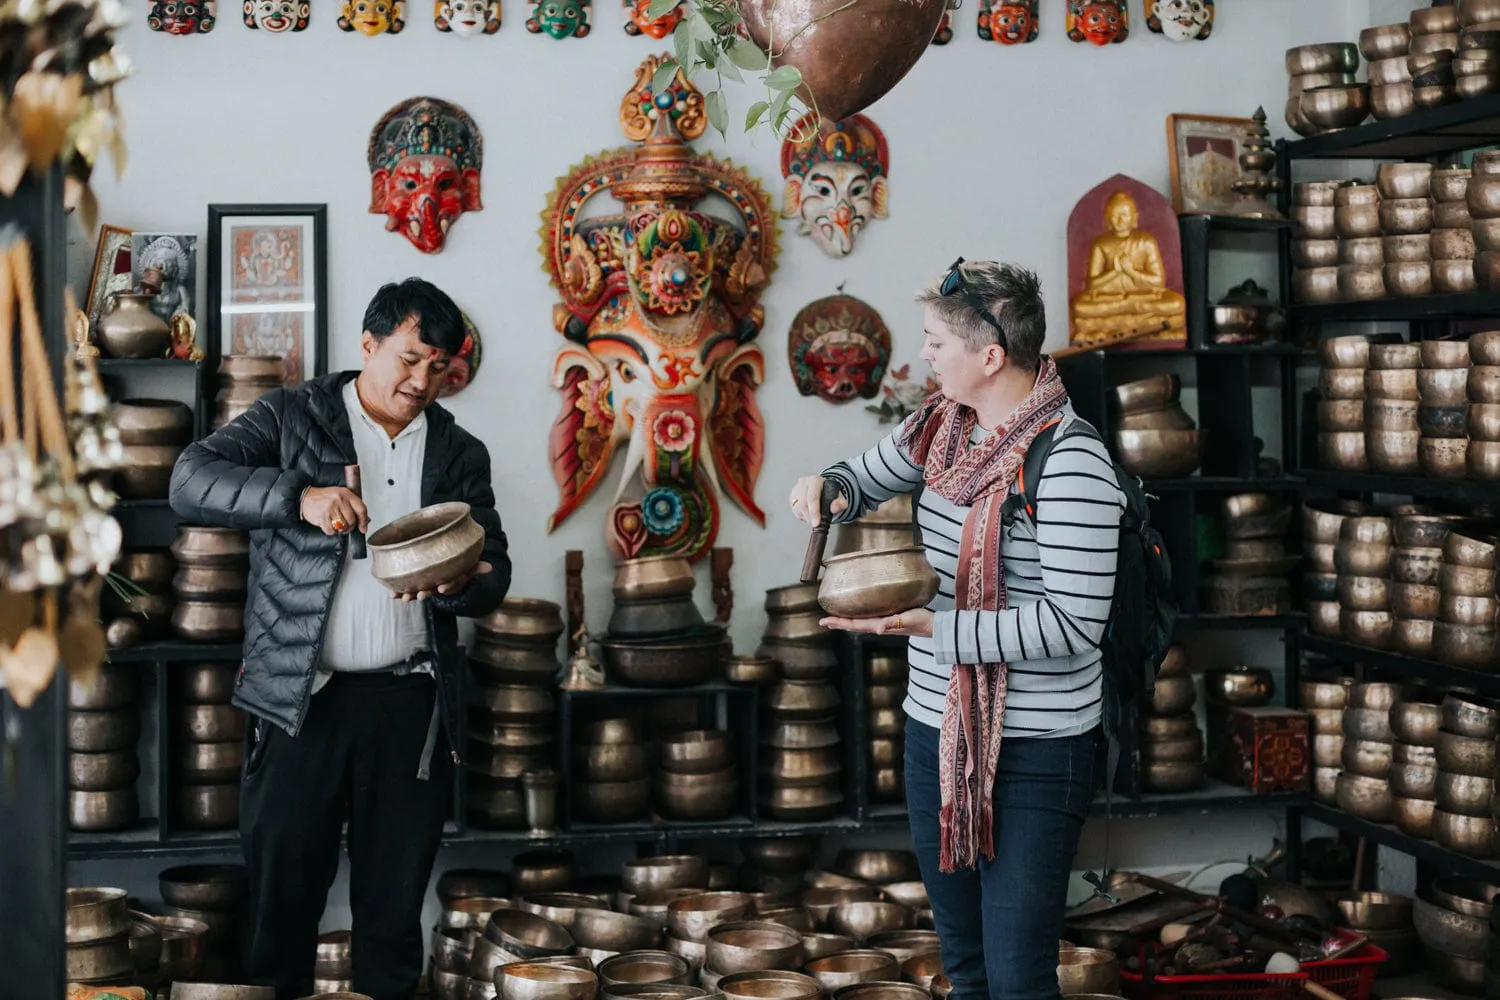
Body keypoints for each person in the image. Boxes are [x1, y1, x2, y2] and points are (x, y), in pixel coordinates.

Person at [789, 259, 1123, 1000]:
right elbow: (861, 478)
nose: (927, 353)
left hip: (1037, 749)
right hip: (935, 734)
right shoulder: (942, 429)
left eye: (938, 341)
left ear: (991, 356)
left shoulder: (1069, 462)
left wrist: (938, 630)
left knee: (1016, 974)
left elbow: (1075, 624)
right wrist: (827, 489)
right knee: (965, 966)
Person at [169, 278, 511, 1000]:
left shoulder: (459, 451)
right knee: (282, 915)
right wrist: (299, 496)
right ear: (368, 344)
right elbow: (189, 479)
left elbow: (495, 569)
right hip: (301, 703)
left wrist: (461, 584)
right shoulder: (293, 415)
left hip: (409, 707)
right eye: (409, 359)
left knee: (391, 921)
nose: (423, 381)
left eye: (438, 366)